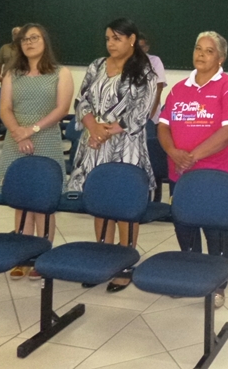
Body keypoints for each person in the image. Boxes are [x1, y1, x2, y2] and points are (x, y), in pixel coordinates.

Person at [157, 31, 228, 308]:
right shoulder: (178, 89)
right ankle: (191, 275)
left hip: (214, 172)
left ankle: (217, 282)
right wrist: (173, 152)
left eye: (209, 51)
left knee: (214, 228)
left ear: (221, 58)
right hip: (180, 172)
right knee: (184, 224)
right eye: (198, 48)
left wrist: (192, 156)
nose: (201, 54)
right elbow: (163, 126)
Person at [68, 18, 156, 292]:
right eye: (108, 38)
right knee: (100, 201)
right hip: (94, 143)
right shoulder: (96, 65)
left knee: (124, 205)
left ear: (132, 40)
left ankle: (125, 265)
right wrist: (93, 128)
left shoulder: (144, 70)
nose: (110, 43)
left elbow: (142, 110)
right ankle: (101, 261)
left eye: (117, 38)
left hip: (125, 145)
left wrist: (108, 131)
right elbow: (82, 101)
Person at [0, 24, 74, 280]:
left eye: (34, 38)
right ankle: (23, 256)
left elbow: (62, 109)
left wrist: (31, 129)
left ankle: (43, 256)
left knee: (44, 202)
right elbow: (5, 108)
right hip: (16, 140)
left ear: (44, 41)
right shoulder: (12, 73)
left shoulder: (61, 73)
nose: (28, 42)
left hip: (45, 138)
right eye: (24, 39)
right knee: (21, 200)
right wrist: (18, 131)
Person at [138, 33, 166, 123]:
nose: (138, 50)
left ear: (147, 48)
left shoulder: (155, 61)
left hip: (151, 116)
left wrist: (151, 114)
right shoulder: (126, 63)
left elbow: (159, 88)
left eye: (141, 47)